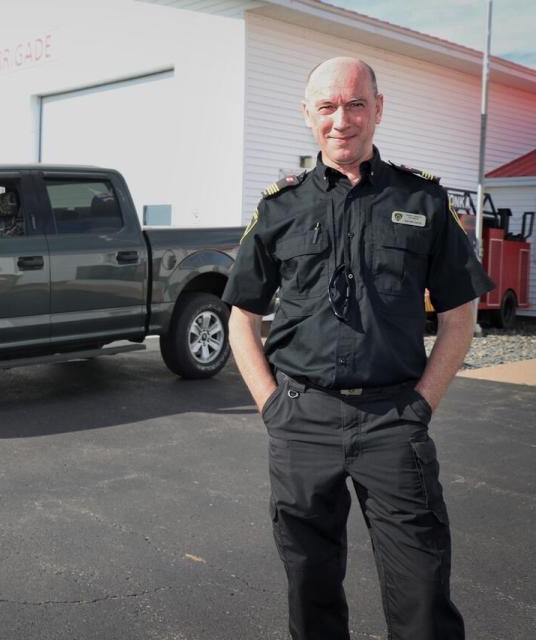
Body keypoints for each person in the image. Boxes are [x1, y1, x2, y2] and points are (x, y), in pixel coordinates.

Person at [223, 57, 493, 639]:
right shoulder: (279, 207)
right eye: (326, 107)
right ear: (307, 115)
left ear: (377, 109)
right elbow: (241, 315)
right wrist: (271, 405)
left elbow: (458, 314)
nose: (340, 120)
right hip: (302, 420)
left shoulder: (422, 201)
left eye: (354, 104)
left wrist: (421, 404)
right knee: (310, 590)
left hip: (393, 419)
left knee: (422, 591)